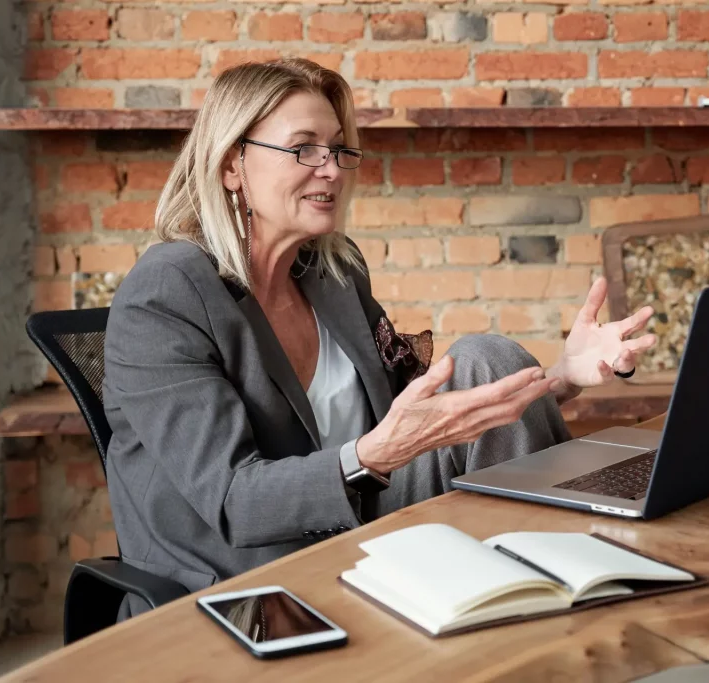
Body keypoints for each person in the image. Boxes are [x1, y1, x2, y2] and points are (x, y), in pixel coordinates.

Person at [101, 57, 657, 617]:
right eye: (304, 149)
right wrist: (376, 453)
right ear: (231, 165)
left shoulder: (332, 271)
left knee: (485, 356)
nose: (331, 169)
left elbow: (430, 418)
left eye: (338, 149)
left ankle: (567, 585)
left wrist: (561, 377)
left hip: (364, 532)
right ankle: (560, 602)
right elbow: (234, 502)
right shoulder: (166, 294)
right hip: (249, 575)